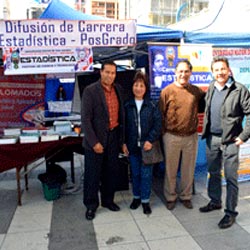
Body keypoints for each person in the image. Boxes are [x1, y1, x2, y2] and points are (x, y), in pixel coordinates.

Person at [199, 56, 250, 229]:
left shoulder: (240, 90)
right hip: (212, 139)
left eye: (223, 69)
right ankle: (215, 201)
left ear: (228, 70)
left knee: (230, 177)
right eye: (216, 70)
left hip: (230, 141)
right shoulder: (212, 87)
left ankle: (230, 213)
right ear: (212, 72)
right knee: (213, 173)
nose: (220, 72)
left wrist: (244, 136)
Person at [81, 61, 124, 220]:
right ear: (101, 72)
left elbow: (122, 116)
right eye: (107, 72)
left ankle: (108, 201)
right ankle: (91, 206)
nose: (110, 76)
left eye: (113, 73)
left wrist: (121, 140)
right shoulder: (90, 91)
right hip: (96, 139)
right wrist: (94, 143)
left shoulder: (118, 89)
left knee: (111, 172)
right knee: (92, 175)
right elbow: (85, 119)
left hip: (113, 136)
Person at [159, 59, 205, 211]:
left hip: (191, 136)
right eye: (180, 71)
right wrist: (163, 134)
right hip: (171, 136)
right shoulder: (167, 91)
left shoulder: (196, 91)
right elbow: (160, 114)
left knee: (188, 169)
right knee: (170, 169)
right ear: (175, 72)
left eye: (186, 71)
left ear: (191, 73)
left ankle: (186, 196)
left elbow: (205, 106)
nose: (183, 74)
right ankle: (170, 197)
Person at [123, 71, 162, 215]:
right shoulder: (127, 105)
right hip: (133, 146)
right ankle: (136, 197)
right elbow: (124, 126)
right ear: (132, 87)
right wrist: (124, 143)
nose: (138, 88)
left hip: (147, 146)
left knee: (146, 174)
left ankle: (145, 201)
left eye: (141, 85)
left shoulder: (151, 105)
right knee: (135, 174)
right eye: (136, 85)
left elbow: (158, 125)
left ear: (145, 88)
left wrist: (150, 140)